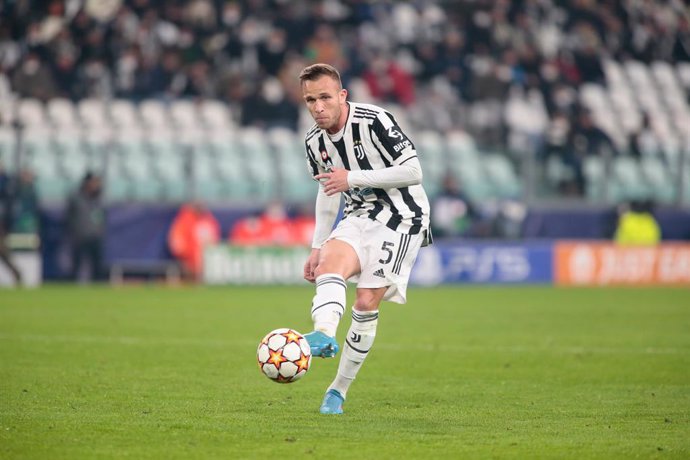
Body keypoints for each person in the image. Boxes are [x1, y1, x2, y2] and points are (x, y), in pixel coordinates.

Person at [298, 63, 432, 415]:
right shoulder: (314, 141)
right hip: (358, 215)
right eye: (310, 100)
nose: (318, 107)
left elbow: (414, 171)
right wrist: (316, 245)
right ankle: (324, 334)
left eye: (325, 97)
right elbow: (329, 191)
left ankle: (337, 391)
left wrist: (353, 179)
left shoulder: (375, 120)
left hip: (402, 217)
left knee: (366, 301)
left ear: (342, 95)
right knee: (330, 262)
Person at [66, 172, 106, 282]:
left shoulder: (99, 198)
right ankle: (71, 288)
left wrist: (100, 232)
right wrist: (74, 232)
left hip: (95, 237)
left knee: (97, 266)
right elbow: (69, 218)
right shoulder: (76, 198)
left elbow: (102, 218)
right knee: (76, 264)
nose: (96, 185)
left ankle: (97, 289)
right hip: (80, 236)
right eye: (93, 182)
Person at [168, 201, 220, 281]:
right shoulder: (184, 221)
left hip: (206, 262)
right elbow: (177, 245)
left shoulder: (209, 220)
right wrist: (187, 258)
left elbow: (214, 240)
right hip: (188, 262)